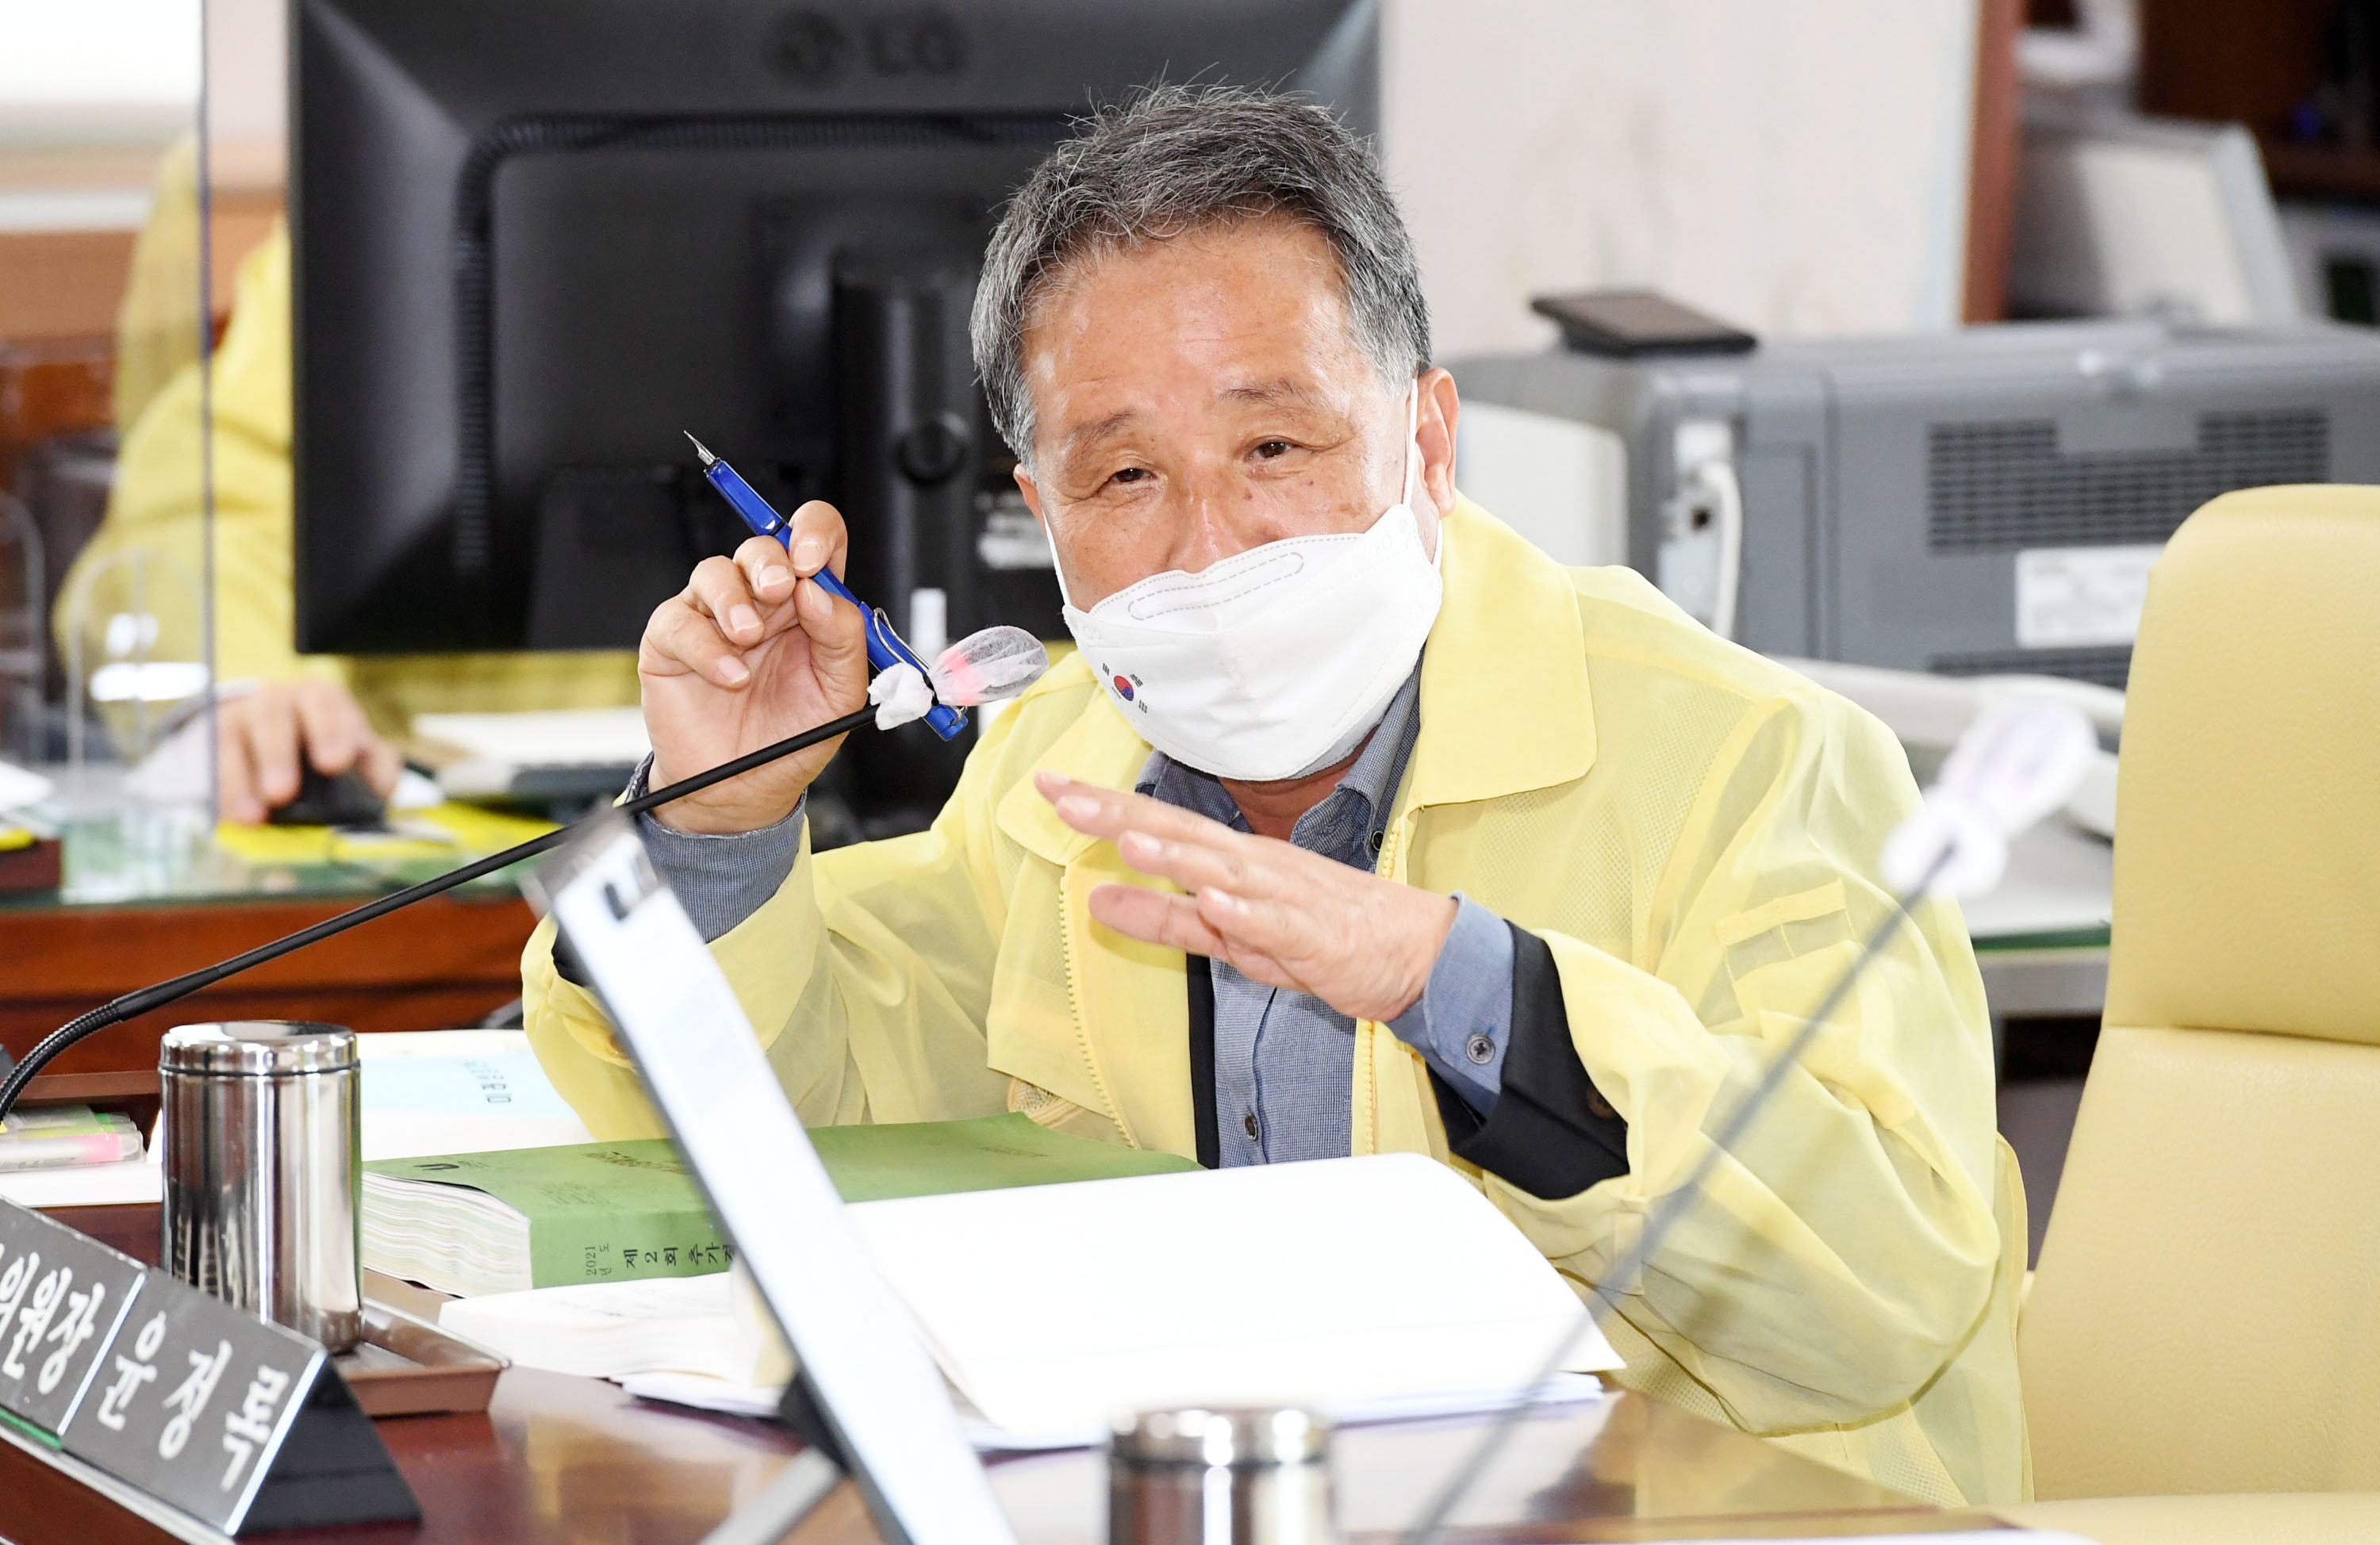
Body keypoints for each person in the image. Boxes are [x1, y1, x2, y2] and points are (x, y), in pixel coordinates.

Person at [523, 86, 2021, 1505]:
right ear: (1038, 513)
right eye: (1124, 480)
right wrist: (723, 818)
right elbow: (814, 1134)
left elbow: (1887, 1289)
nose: (1212, 544)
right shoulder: (1060, 777)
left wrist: (1461, 986)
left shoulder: (1754, 757)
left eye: (1276, 447)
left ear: (1429, 441)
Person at [56, 150, 639, 822]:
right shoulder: (388, 201)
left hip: (726, 786)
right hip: (412, 790)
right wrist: (257, 691)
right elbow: (210, 504)